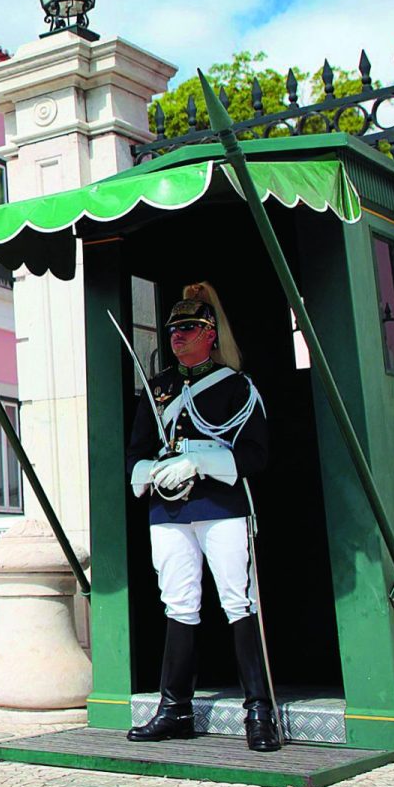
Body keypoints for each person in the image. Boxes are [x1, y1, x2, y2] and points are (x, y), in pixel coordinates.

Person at [125, 283, 280, 752]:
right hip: (169, 510)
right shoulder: (160, 390)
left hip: (221, 506)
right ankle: (175, 709)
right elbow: (135, 454)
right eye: (173, 329)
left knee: (238, 600)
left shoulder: (237, 386)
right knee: (179, 603)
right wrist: (155, 472)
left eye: (189, 328)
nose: (177, 336)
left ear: (211, 334)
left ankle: (259, 710)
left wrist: (201, 462)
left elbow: (255, 454)